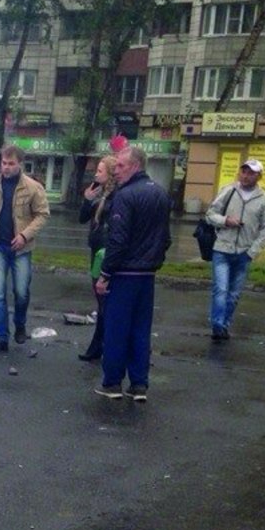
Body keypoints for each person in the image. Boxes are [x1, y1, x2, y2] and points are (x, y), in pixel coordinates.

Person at [94, 145, 171, 402]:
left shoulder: (125, 196)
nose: (116, 171)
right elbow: (165, 238)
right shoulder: (160, 194)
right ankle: (139, 385)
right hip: (147, 274)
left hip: (125, 273)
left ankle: (112, 383)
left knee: (117, 329)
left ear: (135, 166)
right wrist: (154, 261)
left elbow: (118, 239)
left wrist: (105, 274)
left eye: (120, 166)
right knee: (140, 330)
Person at [0, 144, 50, 352]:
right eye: (3, 163)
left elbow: (42, 214)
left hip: (21, 248)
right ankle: (1, 337)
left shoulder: (32, 187)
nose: (6, 168)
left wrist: (25, 235)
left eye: (11, 164)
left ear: (20, 164)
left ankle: (20, 324)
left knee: (21, 291)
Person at [204, 158, 265, 341]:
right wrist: (225, 220)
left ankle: (224, 325)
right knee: (220, 289)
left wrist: (252, 251)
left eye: (251, 173)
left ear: (259, 176)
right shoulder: (228, 191)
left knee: (234, 294)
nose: (245, 176)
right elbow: (210, 215)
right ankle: (217, 325)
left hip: (244, 253)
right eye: (243, 171)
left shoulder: (264, 199)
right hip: (222, 249)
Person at [77, 155, 117, 362]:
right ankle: (98, 346)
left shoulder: (115, 197)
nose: (96, 174)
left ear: (110, 174)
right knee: (101, 302)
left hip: (105, 253)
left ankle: (100, 347)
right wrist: (87, 199)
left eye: (100, 171)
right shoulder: (99, 195)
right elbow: (83, 218)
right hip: (96, 251)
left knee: (104, 302)